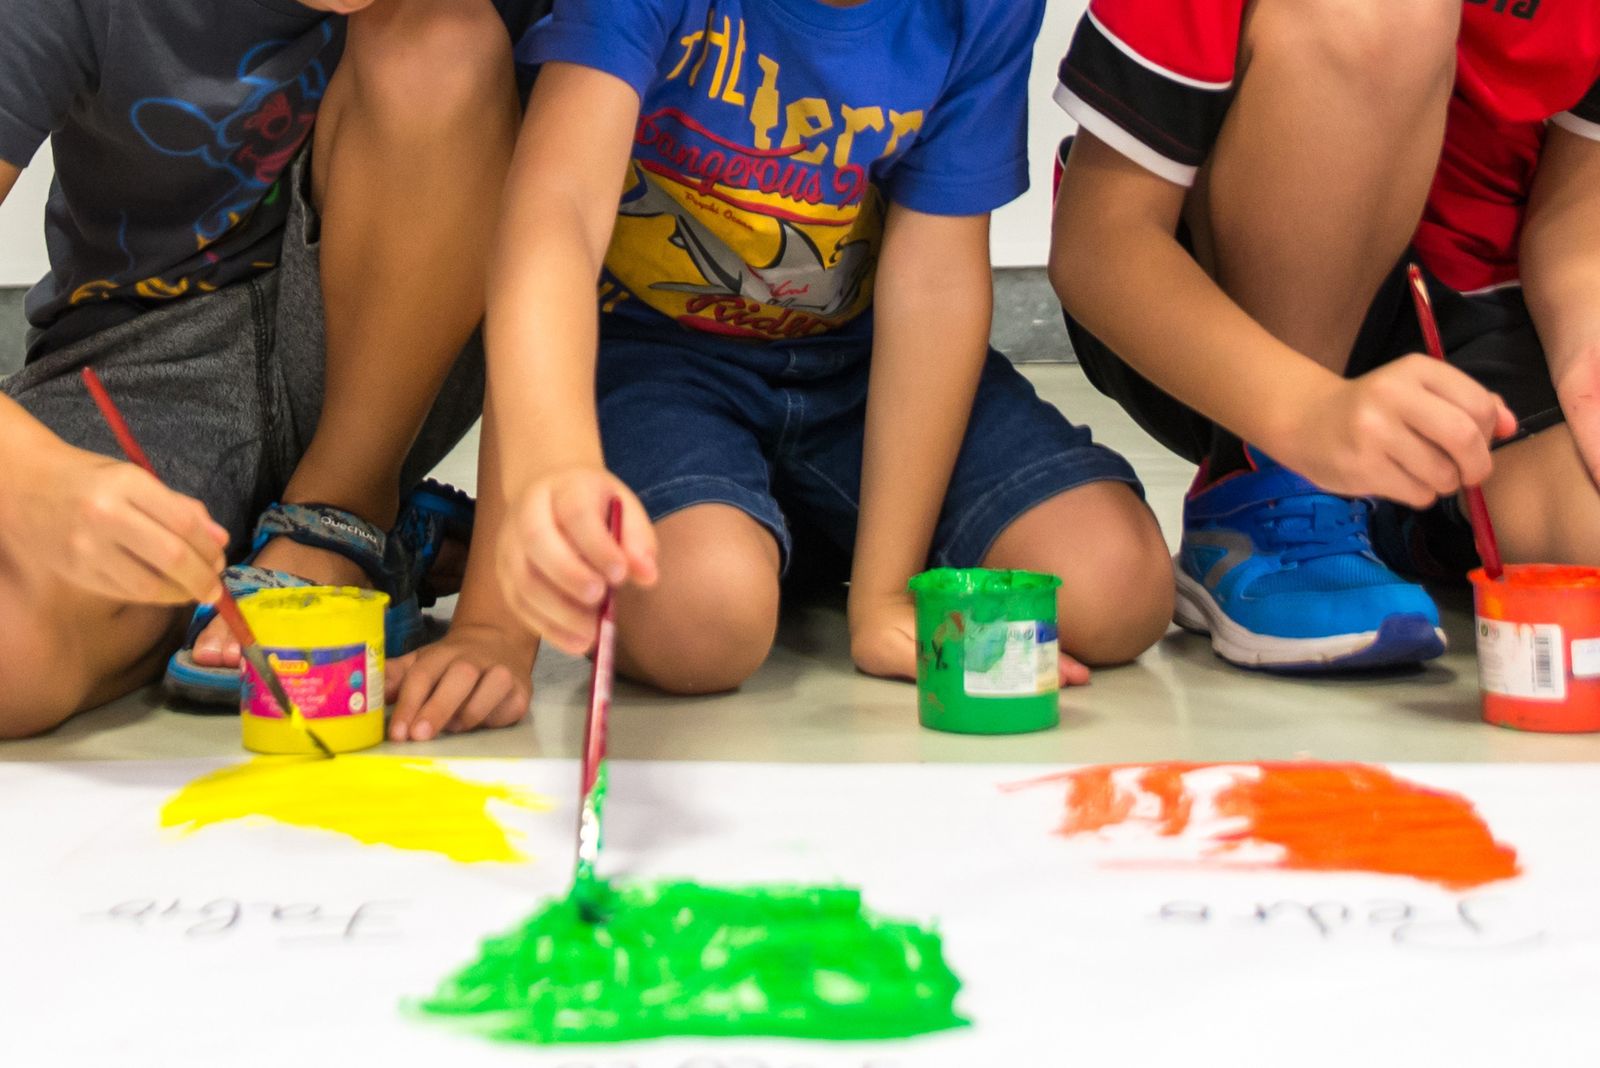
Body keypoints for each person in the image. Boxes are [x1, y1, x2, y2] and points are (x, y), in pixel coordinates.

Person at [384, 0, 1179, 740]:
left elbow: (934, 280)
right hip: (657, 361)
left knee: (1115, 588)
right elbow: (553, 210)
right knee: (705, 625)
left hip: (865, 373)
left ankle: (791, 535)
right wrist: (498, 613)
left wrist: (888, 592)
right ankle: (682, 532)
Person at [0, 0, 524, 738]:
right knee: (13, 659)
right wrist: (31, 479)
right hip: (138, 375)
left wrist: (501, 614)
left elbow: (562, 263)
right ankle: (279, 553)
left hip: (402, 354)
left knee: (440, 41)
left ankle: (343, 515)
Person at [1050, 0, 1600, 672]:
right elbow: (1098, 247)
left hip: (1467, 308)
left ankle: (1399, 518)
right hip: (1230, 308)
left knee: (1585, 538)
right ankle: (1270, 489)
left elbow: (1576, 218)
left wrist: (1586, 359)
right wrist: (1306, 416)